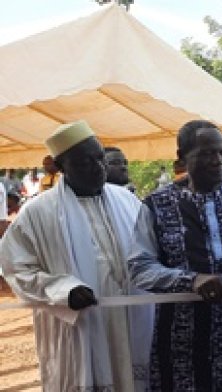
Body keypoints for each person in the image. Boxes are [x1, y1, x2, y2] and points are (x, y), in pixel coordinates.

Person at [0, 121, 152, 391]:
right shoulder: (37, 213)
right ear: (60, 168)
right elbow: (17, 269)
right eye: (85, 162)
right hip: (77, 323)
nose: (98, 168)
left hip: (131, 317)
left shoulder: (128, 201)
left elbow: (151, 253)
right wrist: (63, 290)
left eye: (100, 158)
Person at [128, 120, 222, 391]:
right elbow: (140, 268)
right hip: (184, 341)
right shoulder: (157, 206)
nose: (218, 160)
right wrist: (190, 280)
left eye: (221, 153)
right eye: (207, 153)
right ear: (182, 157)